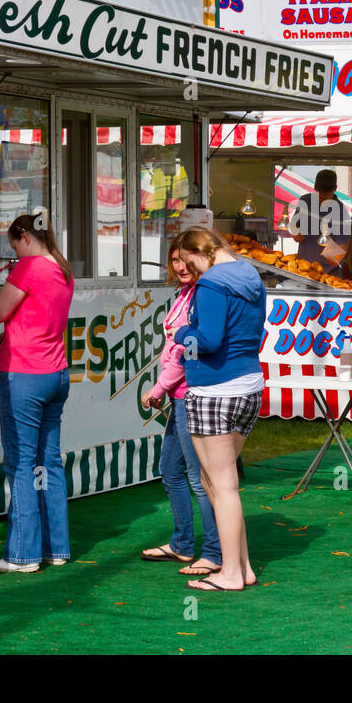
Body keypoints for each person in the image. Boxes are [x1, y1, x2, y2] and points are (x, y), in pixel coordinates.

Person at [172, 227, 267, 592]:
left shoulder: (211, 284)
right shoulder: (249, 274)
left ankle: (230, 573)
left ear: (200, 253)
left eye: (187, 260)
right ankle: (240, 567)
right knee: (220, 482)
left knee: (221, 485)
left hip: (214, 391)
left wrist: (182, 334)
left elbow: (207, 340)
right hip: (248, 385)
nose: (187, 269)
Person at [0, 213, 75, 573]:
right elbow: (37, 318)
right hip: (56, 373)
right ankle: (56, 547)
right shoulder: (62, 270)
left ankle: (22, 554)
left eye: (12, 244)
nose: (13, 252)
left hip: (24, 375)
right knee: (48, 461)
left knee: (20, 463)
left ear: (22, 237)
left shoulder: (28, 268)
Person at [140, 237, 222, 575]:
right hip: (180, 395)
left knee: (197, 476)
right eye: (175, 259)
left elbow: (183, 350)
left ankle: (214, 551)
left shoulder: (202, 295)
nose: (180, 266)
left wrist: (158, 387)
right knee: (171, 470)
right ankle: (183, 544)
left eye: (186, 259)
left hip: (191, 393)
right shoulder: (186, 294)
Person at [289, 169, 343, 275]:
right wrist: (295, 232)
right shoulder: (305, 201)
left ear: (335, 188)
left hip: (330, 270)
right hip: (304, 266)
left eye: (326, 194)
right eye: (320, 193)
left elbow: (343, 244)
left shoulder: (340, 210)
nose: (322, 197)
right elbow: (294, 224)